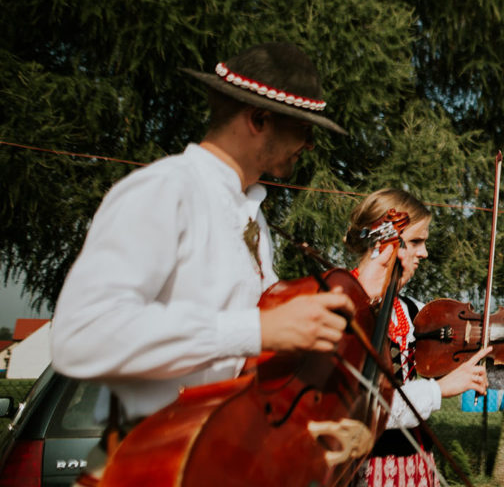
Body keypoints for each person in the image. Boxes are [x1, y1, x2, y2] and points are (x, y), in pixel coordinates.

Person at [50, 42, 356, 482]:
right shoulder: (164, 190)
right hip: (147, 464)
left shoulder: (252, 215)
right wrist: (256, 330)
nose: (309, 145)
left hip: (214, 461)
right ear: (259, 119)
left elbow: (243, 361)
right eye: (303, 129)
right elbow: (80, 335)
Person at [345, 187, 504, 487]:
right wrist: (439, 390)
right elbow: (365, 409)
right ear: (385, 244)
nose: (424, 252)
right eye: (415, 242)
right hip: (360, 472)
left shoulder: (413, 312)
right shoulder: (342, 310)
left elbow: (482, 372)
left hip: (414, 467)